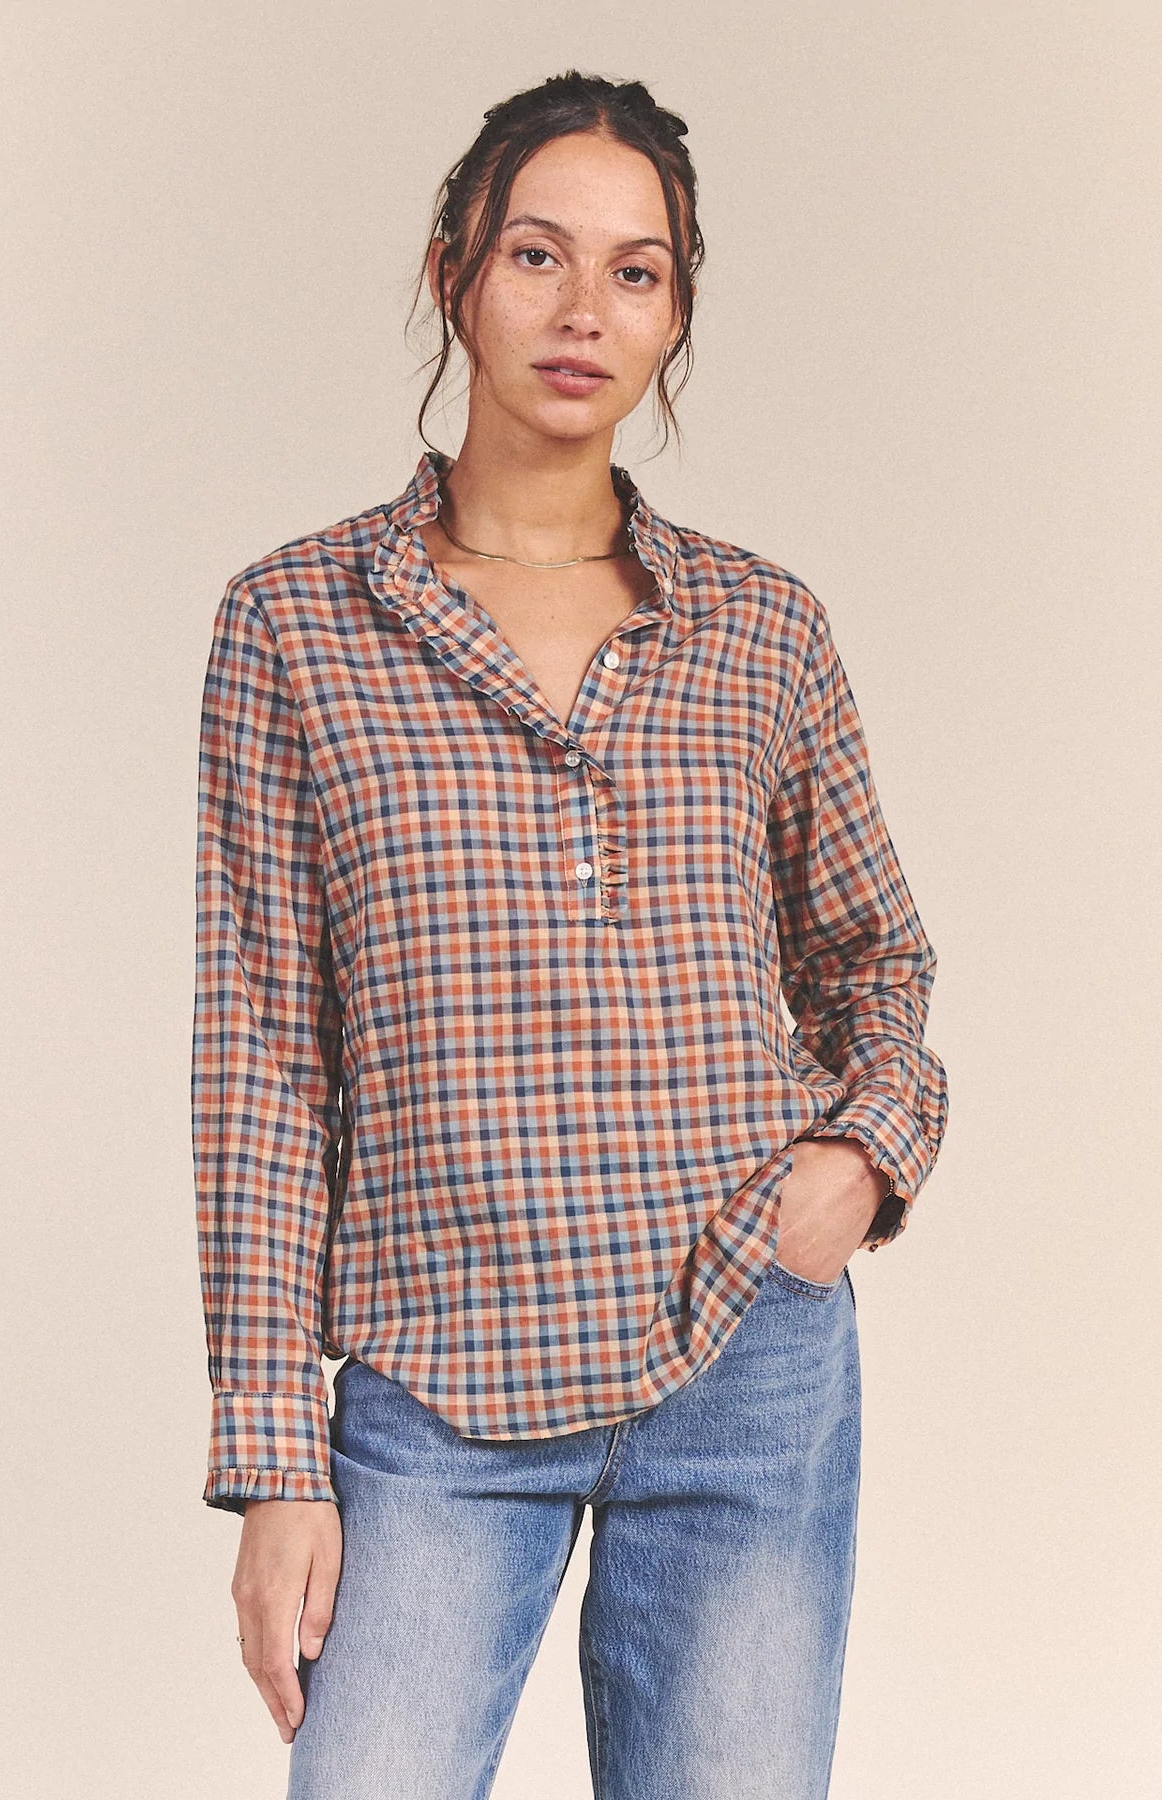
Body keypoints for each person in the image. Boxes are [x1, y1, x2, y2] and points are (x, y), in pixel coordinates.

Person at [191, 69, 948, 1800]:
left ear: (676, 314)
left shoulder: (760, 628)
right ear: (455, 268)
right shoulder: (297, 626)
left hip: (744, 1358)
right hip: (438, 1375)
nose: (584, 309)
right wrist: (276, 1459)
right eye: (539, 254)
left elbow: (877, 962)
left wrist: (861, 1160)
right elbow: (263, 1053)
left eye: (636, 271)